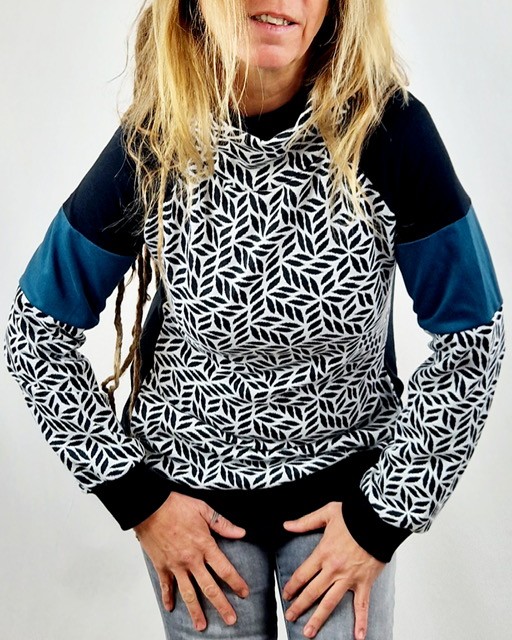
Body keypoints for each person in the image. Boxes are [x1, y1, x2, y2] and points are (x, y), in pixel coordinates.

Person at [4, 0, 505, 639]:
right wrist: (140, 501)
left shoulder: (389, 133)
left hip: (344, 501)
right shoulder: (157, 140)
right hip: (194, 507)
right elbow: (35, 328)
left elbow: (473, 336)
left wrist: (380, 519)